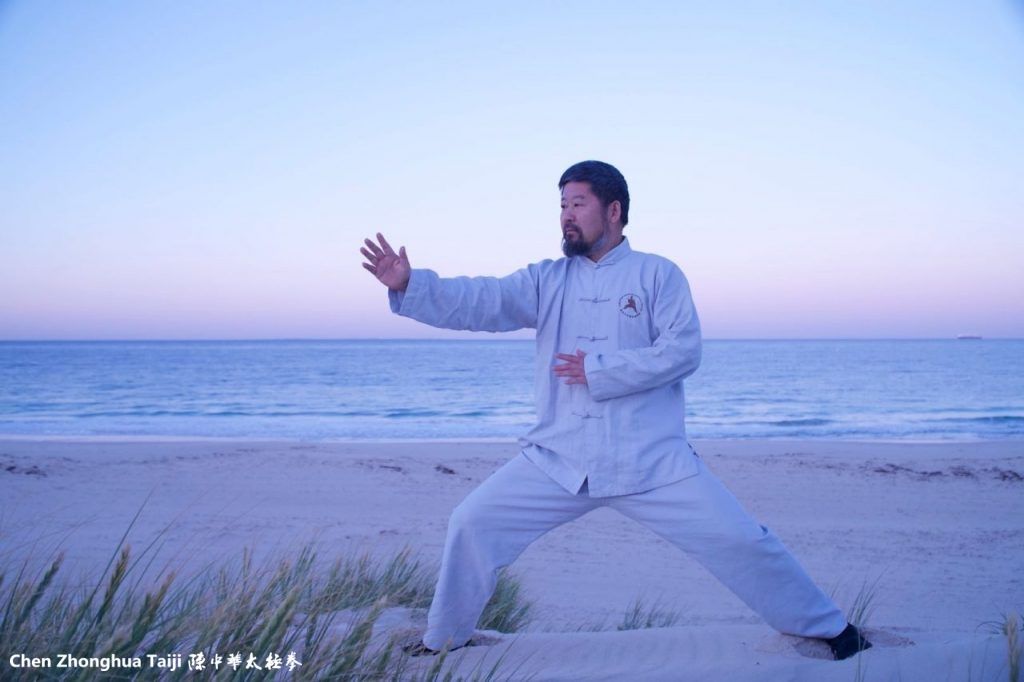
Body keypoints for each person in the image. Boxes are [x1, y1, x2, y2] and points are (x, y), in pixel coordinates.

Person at [359, 160, 872, 661]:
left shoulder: (658, 275)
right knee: (472, 523)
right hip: (558, 458)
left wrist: (600, 370)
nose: (566, 215)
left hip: (650, 461)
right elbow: (481, 301)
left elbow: (683, 351)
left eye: (578, 203)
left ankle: (831, 630)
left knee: (741, 541)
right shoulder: (546, 280)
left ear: (614, 211)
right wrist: (410, 284)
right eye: (561, 205)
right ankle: (445, 639)